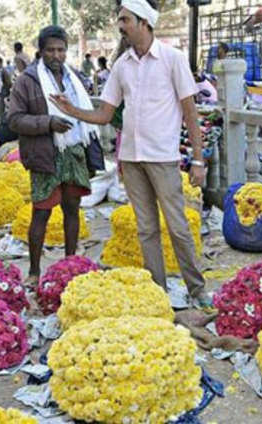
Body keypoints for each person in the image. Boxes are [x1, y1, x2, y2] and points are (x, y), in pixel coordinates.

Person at [50, 0, 212, 307]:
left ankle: (197, 289)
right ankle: (157, 291)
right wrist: (73, 111)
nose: (121, 26)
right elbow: (106, 114)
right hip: (131, 159)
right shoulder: (122, 66)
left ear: (144, 23)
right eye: (120, 20)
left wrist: (199, 159)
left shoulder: (172, 59)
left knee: (177, 226)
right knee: (147, 229)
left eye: (125, 20)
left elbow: (190, 112)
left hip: (163, 157)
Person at [8, 25, 99, 286]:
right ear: (40, 51)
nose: (56, 55)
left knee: (72, 209)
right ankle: (34, 271)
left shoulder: (73, 78)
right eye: (51, 50)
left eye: (61, 50)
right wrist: (48, 123)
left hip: (73, 152)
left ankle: (71, 264)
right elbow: (14, 120)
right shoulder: (27, 80)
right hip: (45, 155)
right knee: (41, 213)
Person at [0, 56, 13, 123]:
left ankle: (4, 121)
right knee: (1, 107)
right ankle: (2, 120)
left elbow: (8, 82)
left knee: (2, 107)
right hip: (1, 91)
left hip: (4, 91)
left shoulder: (4, 71)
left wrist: (7, 90)